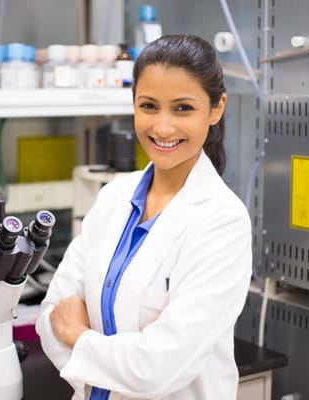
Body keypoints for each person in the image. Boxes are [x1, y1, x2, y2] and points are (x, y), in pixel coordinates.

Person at [36, 34, 252, 400]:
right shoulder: (113, 197)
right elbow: (49, 318)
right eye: (149, 106)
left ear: (216, 109)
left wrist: (79, 334)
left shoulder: (223, 221)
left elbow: (157, 369)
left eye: (183, 108)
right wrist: (131, 349)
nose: (163, 128)